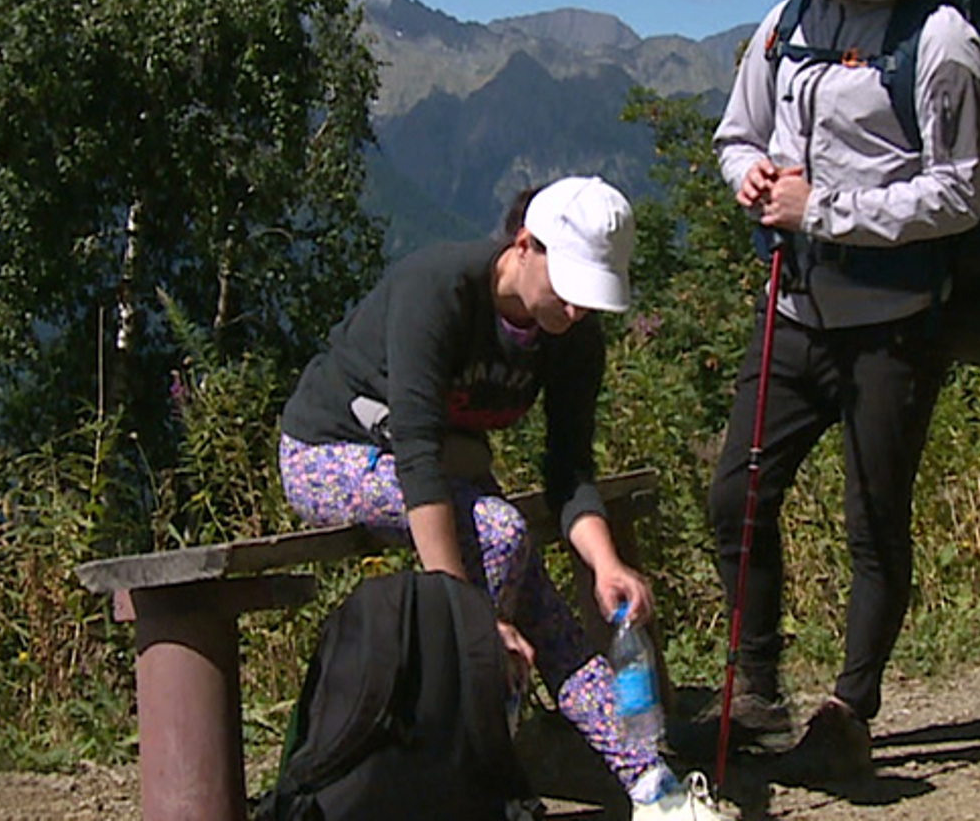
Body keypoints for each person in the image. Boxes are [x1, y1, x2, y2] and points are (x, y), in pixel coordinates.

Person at [278, 176, 729, 821]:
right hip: (326, 454)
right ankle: (471, 762)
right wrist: (472, 625)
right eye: (570, 288)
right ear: (525, 245)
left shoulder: (572, 336)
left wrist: (606, 565)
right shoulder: (436, 291)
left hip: (446, 474)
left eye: (592, 298)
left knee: (545, 609)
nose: (576, 312)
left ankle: (651, 785)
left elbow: (569, 469)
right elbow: (418, 457)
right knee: (499, 533)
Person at [707, 0, 980, 783]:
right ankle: (756, 691)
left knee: (874, 519)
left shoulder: (941, 39)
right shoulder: (783, 24)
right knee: (737, 492)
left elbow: (960, 194)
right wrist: (743, 172)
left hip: (894, 321)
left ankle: (849, 712)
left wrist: (821, 210)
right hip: (792, 305)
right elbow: (737, 133)